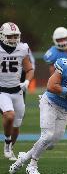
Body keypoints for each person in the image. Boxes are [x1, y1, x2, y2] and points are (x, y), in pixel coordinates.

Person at [9, 43, 67, 174]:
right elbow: (51, 86)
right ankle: (32, 165)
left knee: (51, 141)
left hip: (65, 110)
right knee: (47, 136)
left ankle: (22, 158)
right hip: (50, 103)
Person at [0, 22, 34, 161]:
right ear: (2, 36)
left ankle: (10, 147)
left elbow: (29, 69)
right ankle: (7, 142)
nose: (14, 39)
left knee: (16, 125)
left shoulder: (22, 48)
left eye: (16, 36)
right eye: (10, 36)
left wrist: (27, 81)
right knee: (9, 115)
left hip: (17, 91)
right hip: (2, 91)